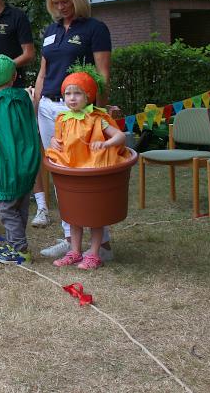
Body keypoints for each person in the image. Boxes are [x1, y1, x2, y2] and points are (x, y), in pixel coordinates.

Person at [32, 0, 115, 261]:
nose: (61, 7)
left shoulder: (96, 29)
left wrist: (98, 112)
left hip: (79, 110)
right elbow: (44, 72)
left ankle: (101, 244)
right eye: (55, 2)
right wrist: (35, 105)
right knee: (61, 175)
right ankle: (71, 240)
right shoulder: (50, 30)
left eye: (65, 1)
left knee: (86, 174)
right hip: (47, 109)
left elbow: (103, 74)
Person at [47, 67, 129, 270]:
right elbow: (56, 139)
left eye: (78, 93)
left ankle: (93, 253)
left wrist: (107, 144)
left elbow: (120, 136)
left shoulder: (97, 119)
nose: (72, 98)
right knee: (74, 215)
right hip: (71, 171)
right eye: (68, 93)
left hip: (92, 170)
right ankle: (74, 251)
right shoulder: (62, 119)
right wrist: (53, 142)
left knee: (94, 214)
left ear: (88, 96)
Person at [0, 52, 41, 265]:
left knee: (6, 209)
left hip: (8, 165)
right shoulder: (24, 97)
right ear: (13, 77)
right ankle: (13, 242)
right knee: (21, 205)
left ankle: (19, 250)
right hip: (28, 160)